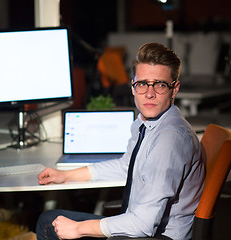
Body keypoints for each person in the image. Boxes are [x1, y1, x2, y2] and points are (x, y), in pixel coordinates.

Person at [36, 42, 205, 240]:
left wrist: (79, 228)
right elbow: (126, 166)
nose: (149, 94)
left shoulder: (169, 140)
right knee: (49, 219)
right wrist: (66, 175)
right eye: (142, 84)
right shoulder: (146, 122)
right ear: (133, 86)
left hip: (157, 235)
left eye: (160, 85)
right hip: (139, 223)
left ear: (174, 89)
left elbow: (143, 225)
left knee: (50, 225)